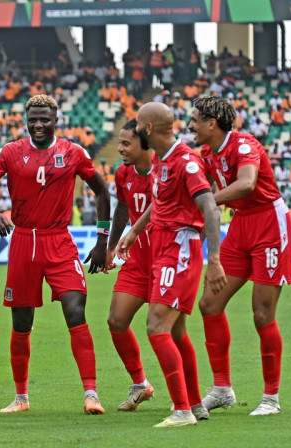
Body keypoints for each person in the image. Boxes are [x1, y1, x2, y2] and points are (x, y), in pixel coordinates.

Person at [0, 94, 110, 415]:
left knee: (76, 311)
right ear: (25, 120)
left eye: (45, 119)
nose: (38, 125)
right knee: (21, 323)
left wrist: (102, 241)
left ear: (56, 120)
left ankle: (91, 393)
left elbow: (102, 191)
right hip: (24, 241)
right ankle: (21, 398)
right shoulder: (11, 152)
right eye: (33, 119)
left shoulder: (73, 153)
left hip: (59, 241)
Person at [117, 102, 226, 428]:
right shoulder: (163, 160)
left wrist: (215, 260)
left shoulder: (185, 162)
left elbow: (211, 209)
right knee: (176, 332)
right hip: (162, 249)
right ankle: (194, 403)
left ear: (148, 129)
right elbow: (160, 202)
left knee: (156, 327)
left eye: (137, 125)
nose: (134, 130)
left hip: (178, 251)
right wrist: (135, 230)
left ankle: (181, 411)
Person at [189, 96, 291, 416]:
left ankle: (271, 399)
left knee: (262, 313)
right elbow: (194, 187)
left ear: (212, 123)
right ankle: (222, 389)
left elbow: (248, 184)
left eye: (195, 120)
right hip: (240, 226)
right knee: (209, 304)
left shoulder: (244, 145)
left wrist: (208, 202)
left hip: (268, 225)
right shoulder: (207, 153)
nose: (190, 125)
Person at [104, 119, 156, 412]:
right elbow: (122, 207)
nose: (120, 148)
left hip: (165, 261)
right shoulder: (123, 173)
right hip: (136, 261)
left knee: (167, 332)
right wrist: (112, 246)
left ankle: (187, 394)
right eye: (119, 142)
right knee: (116, 321)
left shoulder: (164, 169)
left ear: (144, 143)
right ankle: (140, 384)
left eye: (126, 143)